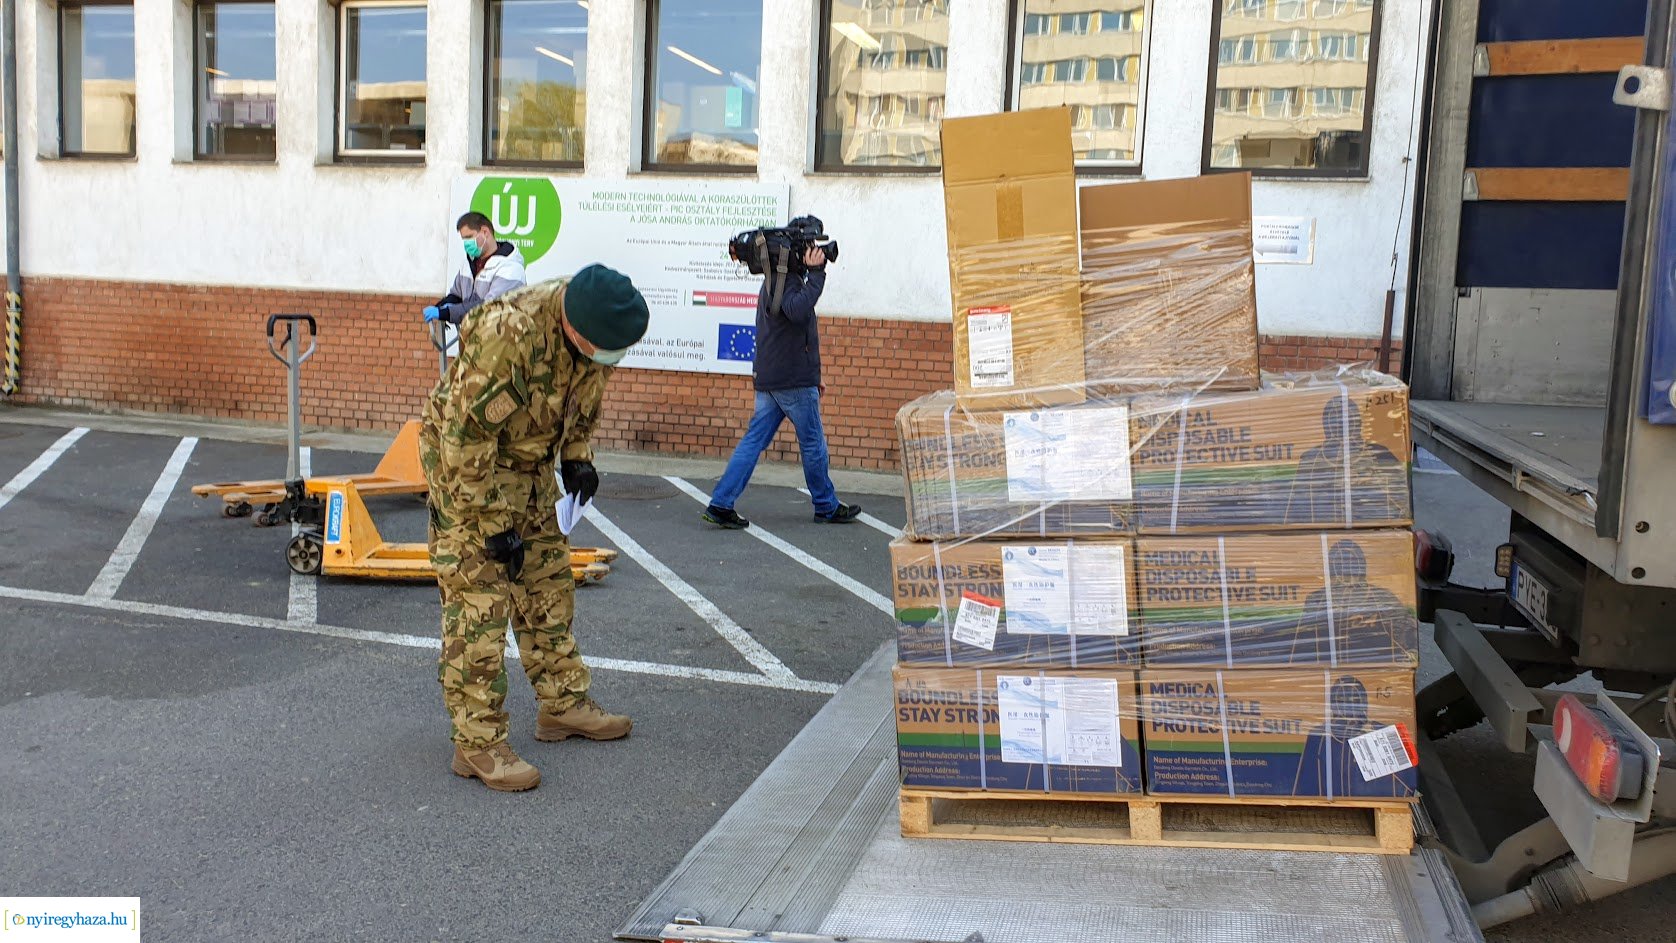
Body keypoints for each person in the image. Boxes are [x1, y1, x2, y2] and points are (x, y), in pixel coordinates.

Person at [421, 264, 648, 792]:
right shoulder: (508, 335)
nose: (610, 362)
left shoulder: (595, 334)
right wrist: (493, 525)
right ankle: (477, 743)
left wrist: (577, 457)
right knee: (479, 604)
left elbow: (582, 401)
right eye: (604, 351)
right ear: (574, 328)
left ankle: (562, 705)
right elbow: (464, 439)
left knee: (547, 584)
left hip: (528, 466)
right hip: (468, 472)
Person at [702, 226, 861, 529]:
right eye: (809, 248)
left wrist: (814, 375)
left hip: (774, 377)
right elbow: (797, 311)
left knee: (753, 442)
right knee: (813, 444)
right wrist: (817, 274)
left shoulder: (773, 281)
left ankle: (721, 503)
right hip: (792, 381)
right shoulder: (787, 282)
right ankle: (826, 505)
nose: (814, 252)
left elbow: (793, 331)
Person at [1283, 394, 1406, 527]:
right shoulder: (1311, 459)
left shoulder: (1378, 453)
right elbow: (1295, 511)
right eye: (1336, 420)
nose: (1342, 425)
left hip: (1372, 531)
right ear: (1326, 425)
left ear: (1358, 423)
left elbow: (1401, 502)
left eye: (1347, 419)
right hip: (1323, 531)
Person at [1287, 540, 1415, 665]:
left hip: (1374, 669)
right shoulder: (1317, 599)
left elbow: (1407, 634)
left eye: (1351, 561)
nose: (1346, 567)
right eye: (1340, 562)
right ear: (1332, 567)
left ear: (1361, 565)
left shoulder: (1382, 597)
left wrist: (1410, 655)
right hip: (1327, 668)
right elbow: (1303, 642)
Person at [423, 211, 528, 330]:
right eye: (464, 239)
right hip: (475, 335)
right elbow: (457, 294)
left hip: (502, 336)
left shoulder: (510, 269)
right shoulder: (469, 264)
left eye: (469, 237)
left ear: (485, 232)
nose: (466, 244)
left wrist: (447, 313)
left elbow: (489, 307)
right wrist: (441, 306)